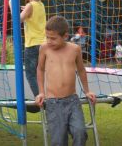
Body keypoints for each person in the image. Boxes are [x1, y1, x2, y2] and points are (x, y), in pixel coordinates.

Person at [35, 16, 96, 146]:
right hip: (53, 102)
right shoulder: (44, 48)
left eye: (53, 38)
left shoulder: (75, 49)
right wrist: (41, 92)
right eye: (47, 37)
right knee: (58, 141)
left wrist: (87, 91)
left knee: (80, 132)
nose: (49, 41)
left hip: (72, 101)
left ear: (65, 36)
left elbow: (81, 70)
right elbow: (40, 69)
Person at [9, 0, 46, 97]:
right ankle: (46, 95)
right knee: (40, 73)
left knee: (30, 74)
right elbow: (33, 16)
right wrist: (27, 10)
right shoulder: (41, 5)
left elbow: (17, 20)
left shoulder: (30, 6)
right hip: (43, 44)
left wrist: (11, 5)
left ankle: (40, 98)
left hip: (32, 46)